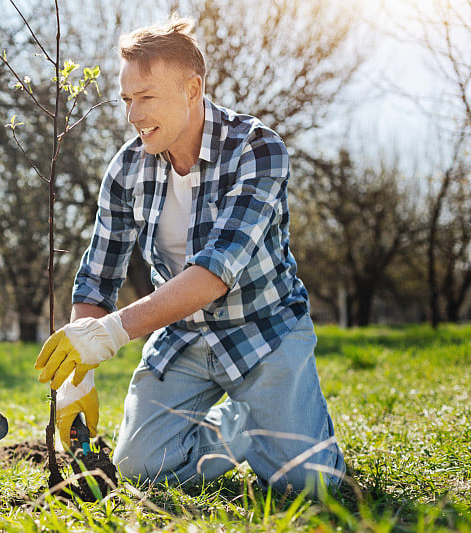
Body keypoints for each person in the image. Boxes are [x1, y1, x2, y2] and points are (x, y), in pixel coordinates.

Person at [35, 16, 345, 493]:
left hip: (263, 329)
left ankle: (287, 427)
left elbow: (215, 272)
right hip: (182, 337)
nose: (133, 115)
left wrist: (112, 332)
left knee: (307, 483)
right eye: (126, 100)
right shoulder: (127, 168)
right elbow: (99, 274)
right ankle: (242, 426)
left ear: (192, 89)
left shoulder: (257, 150)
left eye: (146, 97)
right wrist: (78, 371)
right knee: (142, 468)